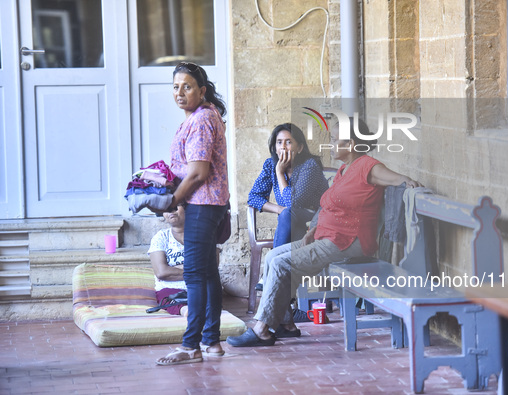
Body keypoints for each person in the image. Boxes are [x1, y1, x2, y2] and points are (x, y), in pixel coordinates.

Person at [226, 118, 422, 347]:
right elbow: (328, 206)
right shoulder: (344, 170)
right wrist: (313, 230)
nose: (330, 143)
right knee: (272, 257)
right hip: (326, 236)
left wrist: (407, 181)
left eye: (334, 139)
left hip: (348, 240)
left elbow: (397, 178)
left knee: (282, 264)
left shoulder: (368, 166)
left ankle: (261, 330)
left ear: (349, 143)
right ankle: (285, 324)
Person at [155, 62, 229, 365]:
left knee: (195, 275)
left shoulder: (201, 120)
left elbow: (198, 173)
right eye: (175, 87)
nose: (180, 93)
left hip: (203, 204)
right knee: (208, 274)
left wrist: (173, 199)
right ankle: (212, 342)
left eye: (187, 86)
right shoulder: (201, 116)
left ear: (202, 90)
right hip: (206, 203)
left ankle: (191, 346)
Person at [248, 123, 328, 248]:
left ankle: (276, 260)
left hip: (316, 219)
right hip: (291, 221)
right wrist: (280, 209)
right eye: (279, 142)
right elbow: (253, 197)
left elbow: (293, 203)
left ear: (300, 148)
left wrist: (279, 173)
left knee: (289, 215)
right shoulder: (270, 165)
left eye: (288, 142)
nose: (283, 147)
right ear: (274, 148)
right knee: (289, 219)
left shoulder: (309, 165)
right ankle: (285, 264)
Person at [148, 203, 188, 317]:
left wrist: (173, 269)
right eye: (166, 208)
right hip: (170, 289)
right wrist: (193, 270)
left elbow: (209, 268)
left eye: (176, 206)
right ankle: (185, 310)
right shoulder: (161, 237)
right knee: (168, 298)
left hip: (197, 287)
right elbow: (161, 273)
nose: (171, 211)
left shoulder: (200, 235)